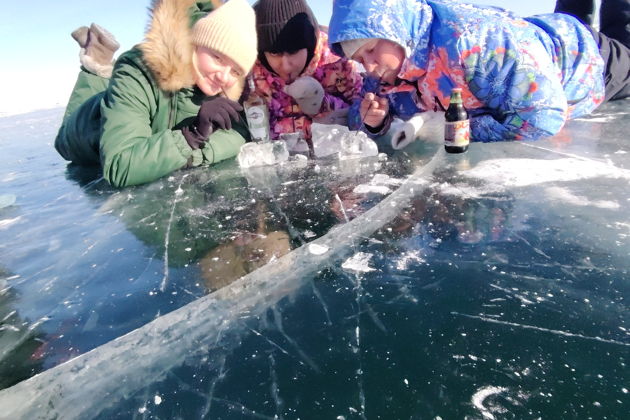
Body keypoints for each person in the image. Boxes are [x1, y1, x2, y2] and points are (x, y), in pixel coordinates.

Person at [327, 0, 629, 143]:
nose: (368, 65)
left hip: (587, 61)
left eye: (370, 49)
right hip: (543, 40)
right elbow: (361, 110)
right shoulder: (388, 67)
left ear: (396, 30)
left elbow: (543, 116)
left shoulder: (475, 45)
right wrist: (376, 120)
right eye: (358, 58)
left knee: (623, 24)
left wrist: (453, 129)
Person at [55, 0, 257, 187]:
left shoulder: (222, 87)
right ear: (196, 43)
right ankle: (96, 59)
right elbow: (121, 165)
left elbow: (240, 134)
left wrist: (195, 152)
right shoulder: (138, 70)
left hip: (132, 109)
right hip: (86, 133)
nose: (223, 77)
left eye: (235, 71)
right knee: (66, 137)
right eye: (218, 58)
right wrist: (191, 136)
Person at [249, 0, 363, 145]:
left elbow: (364, 114)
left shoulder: (338, 62)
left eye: (293, 51)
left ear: (308, 45)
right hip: (275, 153)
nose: (286, 66)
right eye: (274, 53)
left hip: (330, 150)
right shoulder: (250, 71)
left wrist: (323, 103)